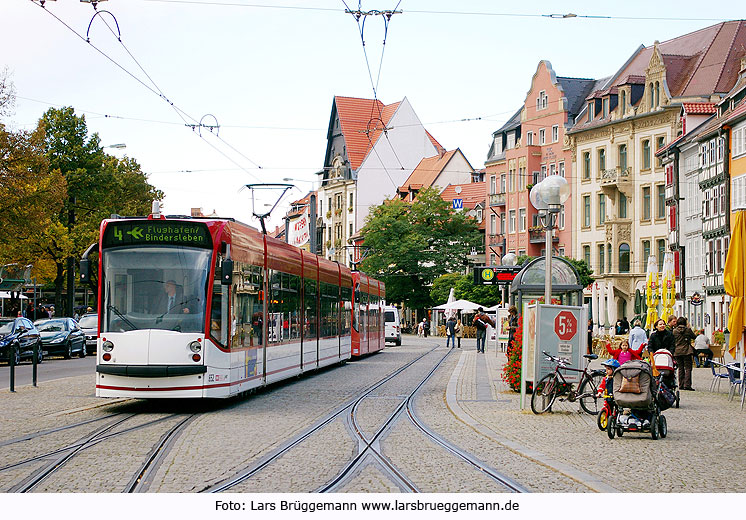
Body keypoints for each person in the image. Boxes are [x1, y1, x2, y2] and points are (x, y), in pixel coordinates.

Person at [673, 317, 697, 390]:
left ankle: (681, 384)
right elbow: (694, 337)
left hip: (677, 351)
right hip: (687, 351)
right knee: (688, 368)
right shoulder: (688, 330)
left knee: (680, 368)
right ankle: (687, 385)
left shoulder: (674, 331)